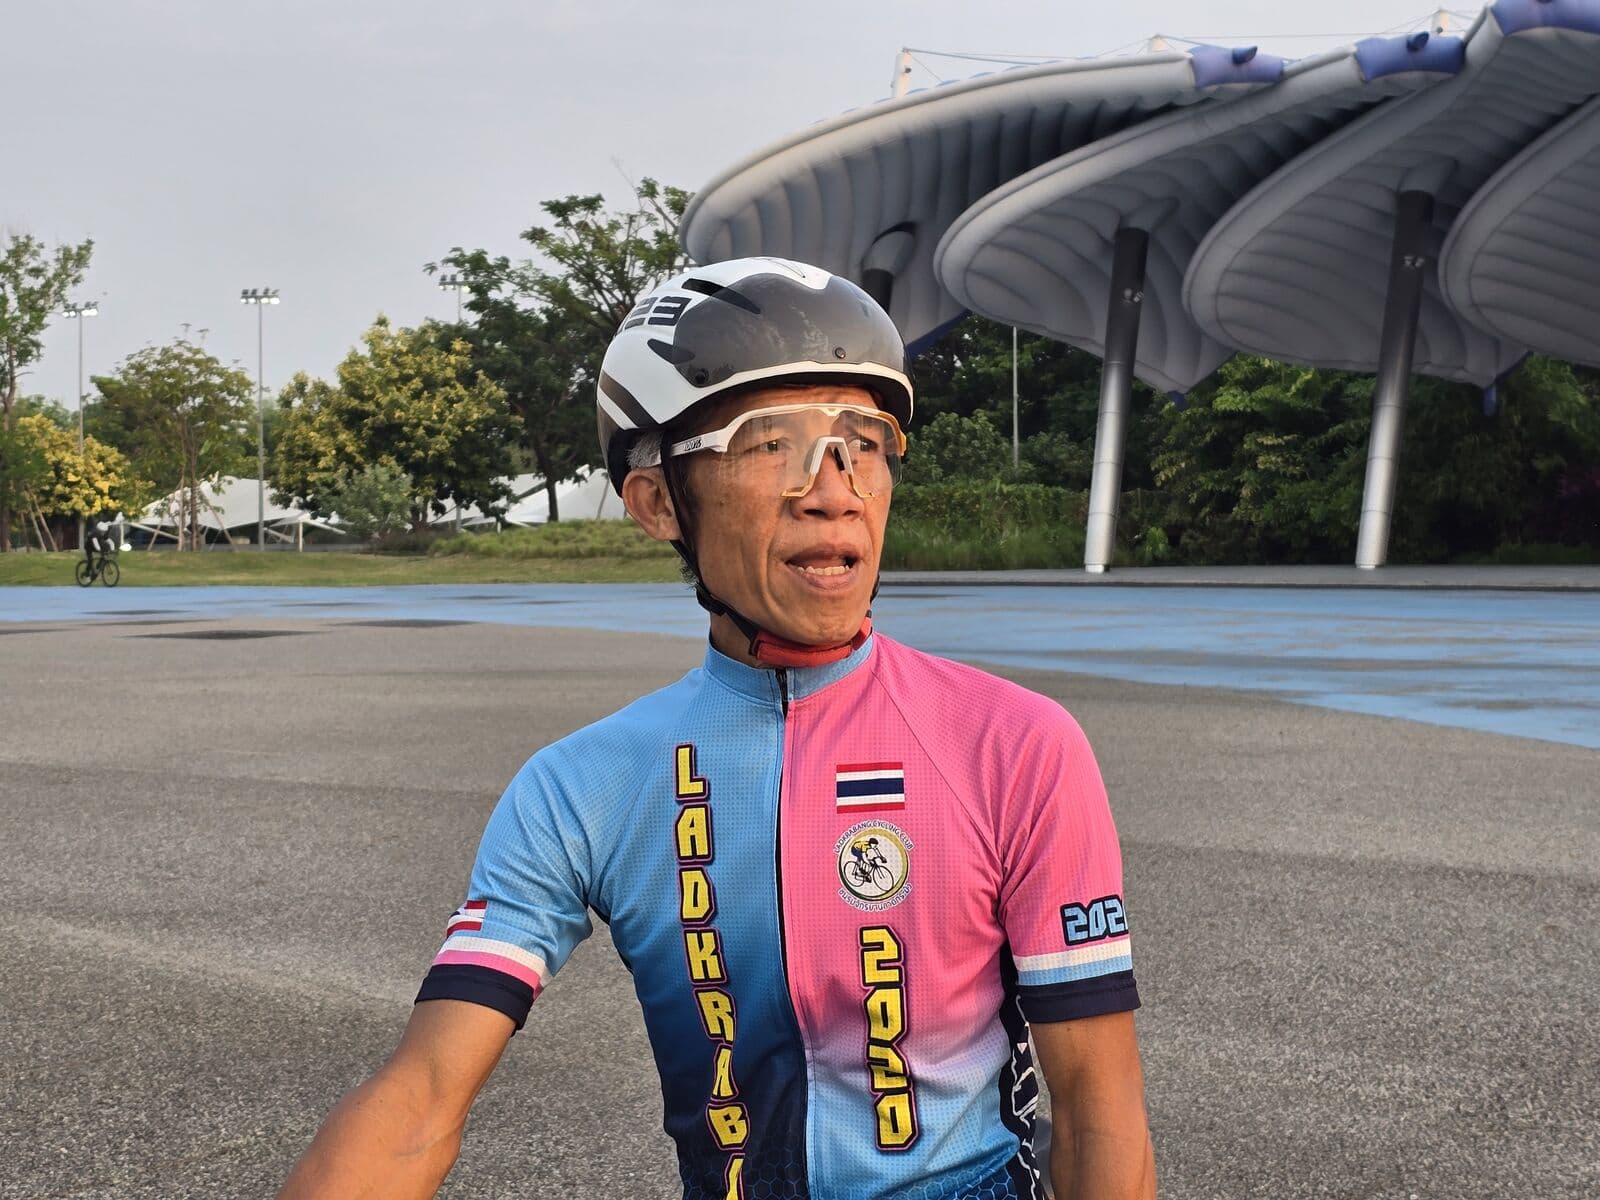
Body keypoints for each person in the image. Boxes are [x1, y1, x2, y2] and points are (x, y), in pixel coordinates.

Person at [278, 258, 1155, 1200]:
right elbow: (420, 1103)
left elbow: (1098, 1103)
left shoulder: (1013, 744)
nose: (834, 488)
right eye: (770, 442)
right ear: (659, 502)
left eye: (864, 439)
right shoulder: (584, 786)